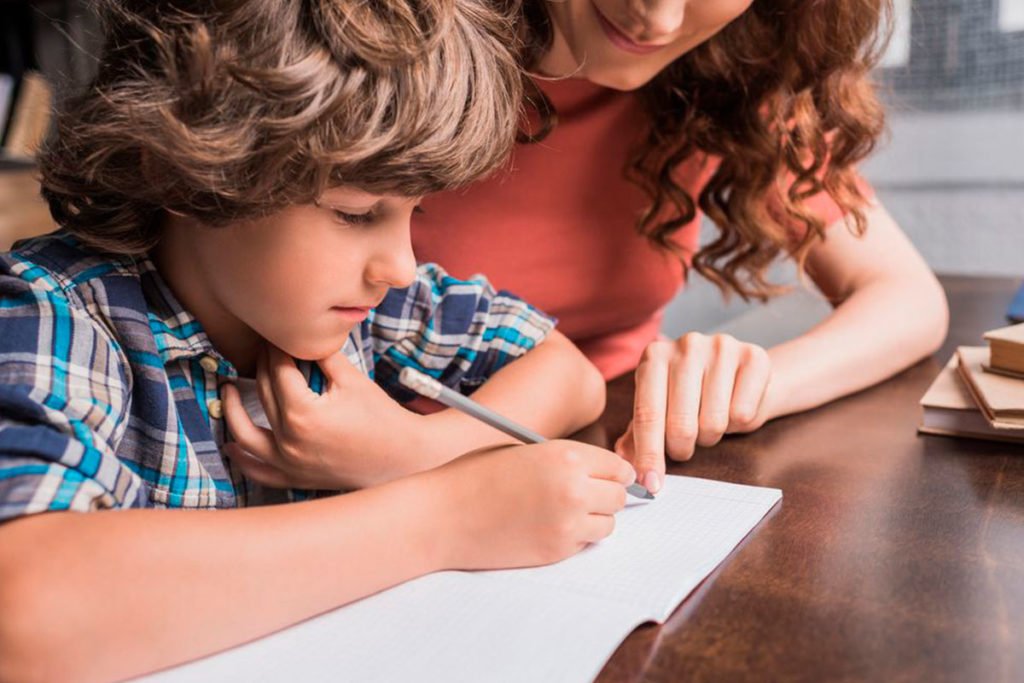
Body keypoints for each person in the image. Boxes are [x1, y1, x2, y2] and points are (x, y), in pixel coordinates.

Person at [0, 2, 635, 680]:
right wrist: (442, 515)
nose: (399, 265)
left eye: (413, 212)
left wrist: (415, 451)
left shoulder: (366, 307)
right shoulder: (57, 312)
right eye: (356, 213)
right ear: (192, 165)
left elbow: (567, 372)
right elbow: (24, 609)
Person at [413, 0, 950, 494]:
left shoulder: (730, 70)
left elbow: (907, 297)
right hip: (396, 466)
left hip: (608, 447)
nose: (659, 20)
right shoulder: (382, 55)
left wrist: (752, 385)